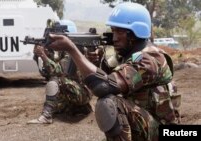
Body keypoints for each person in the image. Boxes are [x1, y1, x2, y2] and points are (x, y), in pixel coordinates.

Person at [45, 2, 180, 141]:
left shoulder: (150, 59)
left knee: (109, 103)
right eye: (113, 31)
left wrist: (72, 49)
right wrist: (97, 61)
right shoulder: (126, 56)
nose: (114, 38)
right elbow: (106, 76)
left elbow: (103, 87)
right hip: (145, 125)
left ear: (136, 32)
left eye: (120, 32)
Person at [27, 20, 93, 124]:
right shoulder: (62, 51)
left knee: (56, 79)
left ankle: (46, 116)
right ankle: (78, 109)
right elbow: (46, 74)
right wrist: (39, 56)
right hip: (73, 91)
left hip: (83, 93)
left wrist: (43, 56)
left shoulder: (75, 49)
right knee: (55, 86)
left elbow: (59, 71)